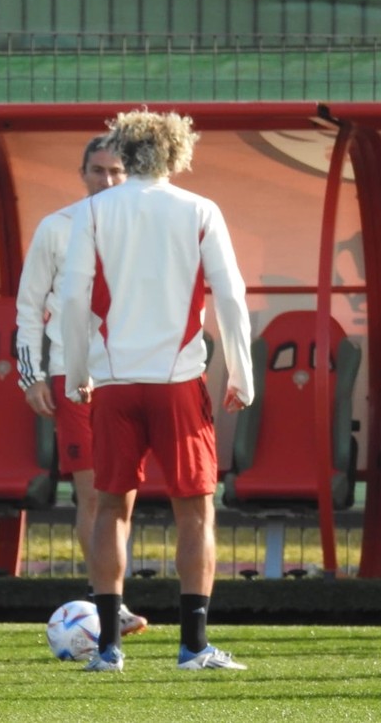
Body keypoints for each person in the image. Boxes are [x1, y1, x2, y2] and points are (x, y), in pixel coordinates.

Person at [60, 109, 254, 673]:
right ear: (176, 153)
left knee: (109, 510)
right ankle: (193, 647)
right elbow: (231, 297)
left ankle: (108, 649)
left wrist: (77, 370)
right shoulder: (199, 209)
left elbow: (73, 297)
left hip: (114, 382)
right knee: (195, 511)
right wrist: (241, 372)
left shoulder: (94, 210)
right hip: (176, 381)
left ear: (125, 149)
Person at [15, 135, 147, 636]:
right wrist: (31, 376)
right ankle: (108, 605)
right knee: (93, 493)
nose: (108, 180)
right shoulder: (57, 227)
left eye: (117, 171)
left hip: (134, 374)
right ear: (83, 173)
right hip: (76, 380)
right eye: (98, 170)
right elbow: (29, 306)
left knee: (125, 492)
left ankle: (110, 599)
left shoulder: (146, 226)